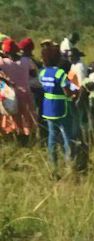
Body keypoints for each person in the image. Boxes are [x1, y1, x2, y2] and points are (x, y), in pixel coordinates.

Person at [39, 44, 76, 176]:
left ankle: (53, 167)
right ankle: (70, 167)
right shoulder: (60, 73)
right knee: (67, 137)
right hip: (61, 108)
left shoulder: (42, 73)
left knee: (52, 137)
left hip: (48, 108)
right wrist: (74, 93)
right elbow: (67, 92)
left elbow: (43, 87)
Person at [0, 38, 37, 140]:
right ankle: (30, 136)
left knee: (15, 117)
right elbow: (34, 73)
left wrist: (6, 80)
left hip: (12, 94)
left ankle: (19, 137)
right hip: (26, 93)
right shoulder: (26, 60)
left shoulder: (3, 62)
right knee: (28, 116)